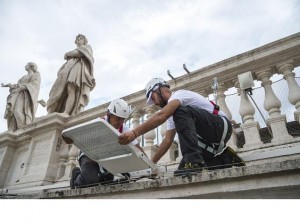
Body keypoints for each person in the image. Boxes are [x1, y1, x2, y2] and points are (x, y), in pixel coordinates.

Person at [119, 77, 243, 176]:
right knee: (181, 174)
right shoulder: (175, 115)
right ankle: (226, 159)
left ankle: (194, 161)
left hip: (220, 125)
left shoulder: (179, 95)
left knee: (180, 111)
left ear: (160, 89)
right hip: (210, 142)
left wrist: (134, 133)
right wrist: (151, 164)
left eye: (153, 97)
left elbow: (161, 115)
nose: (155, 103)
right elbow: (167, 141)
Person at [65, 99, 144, 189]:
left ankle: (101, 177)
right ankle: (76, 176)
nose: (121, 122)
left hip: (108, 159)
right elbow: (78, 135)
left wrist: (149, 165)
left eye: (123, 119)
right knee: (90, 182)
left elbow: (138, 149)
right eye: (118, 119)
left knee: (115, 181)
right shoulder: (97, 123)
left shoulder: (125, 129)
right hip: (90, 156)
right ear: (108, 114)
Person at [47, 34, 95, 115]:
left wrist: (68, 54)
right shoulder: (75, 53)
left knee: (71, 89)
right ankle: (61, 110)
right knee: (65, 90)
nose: (79, 40)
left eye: (81, 38)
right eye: (78, 39)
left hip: (78, 69)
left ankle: (67, 112)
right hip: (70, 70)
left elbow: (77, 53)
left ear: (84, 41)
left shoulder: (87, 47)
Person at [1, 62, 41, 132]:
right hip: (16, 95)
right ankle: (13, 129)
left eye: (27, 65)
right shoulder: (23, 77)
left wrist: (21, 88)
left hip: (24, 96)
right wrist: (10, 86)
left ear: (31, 66)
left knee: (17, 111)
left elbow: (34, 85)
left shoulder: (36, 75)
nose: (25, 66)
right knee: (12, 112)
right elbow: (17, 86)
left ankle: (22, 129)